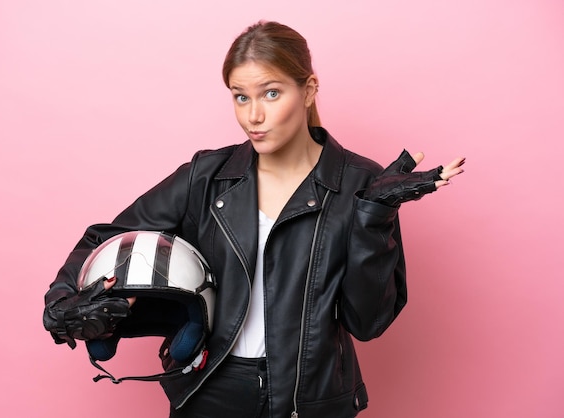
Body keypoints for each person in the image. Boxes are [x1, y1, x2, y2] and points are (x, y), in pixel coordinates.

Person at [43, 21, 465, 418]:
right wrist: (64, 300)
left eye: (271, 93)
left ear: (309, 89)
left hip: (312, 401)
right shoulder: (206, 177)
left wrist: (373, 218)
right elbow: (106, 237)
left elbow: (367, 323)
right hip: (210, 391)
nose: (253, 116)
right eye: (241, 96)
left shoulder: (363, 183)